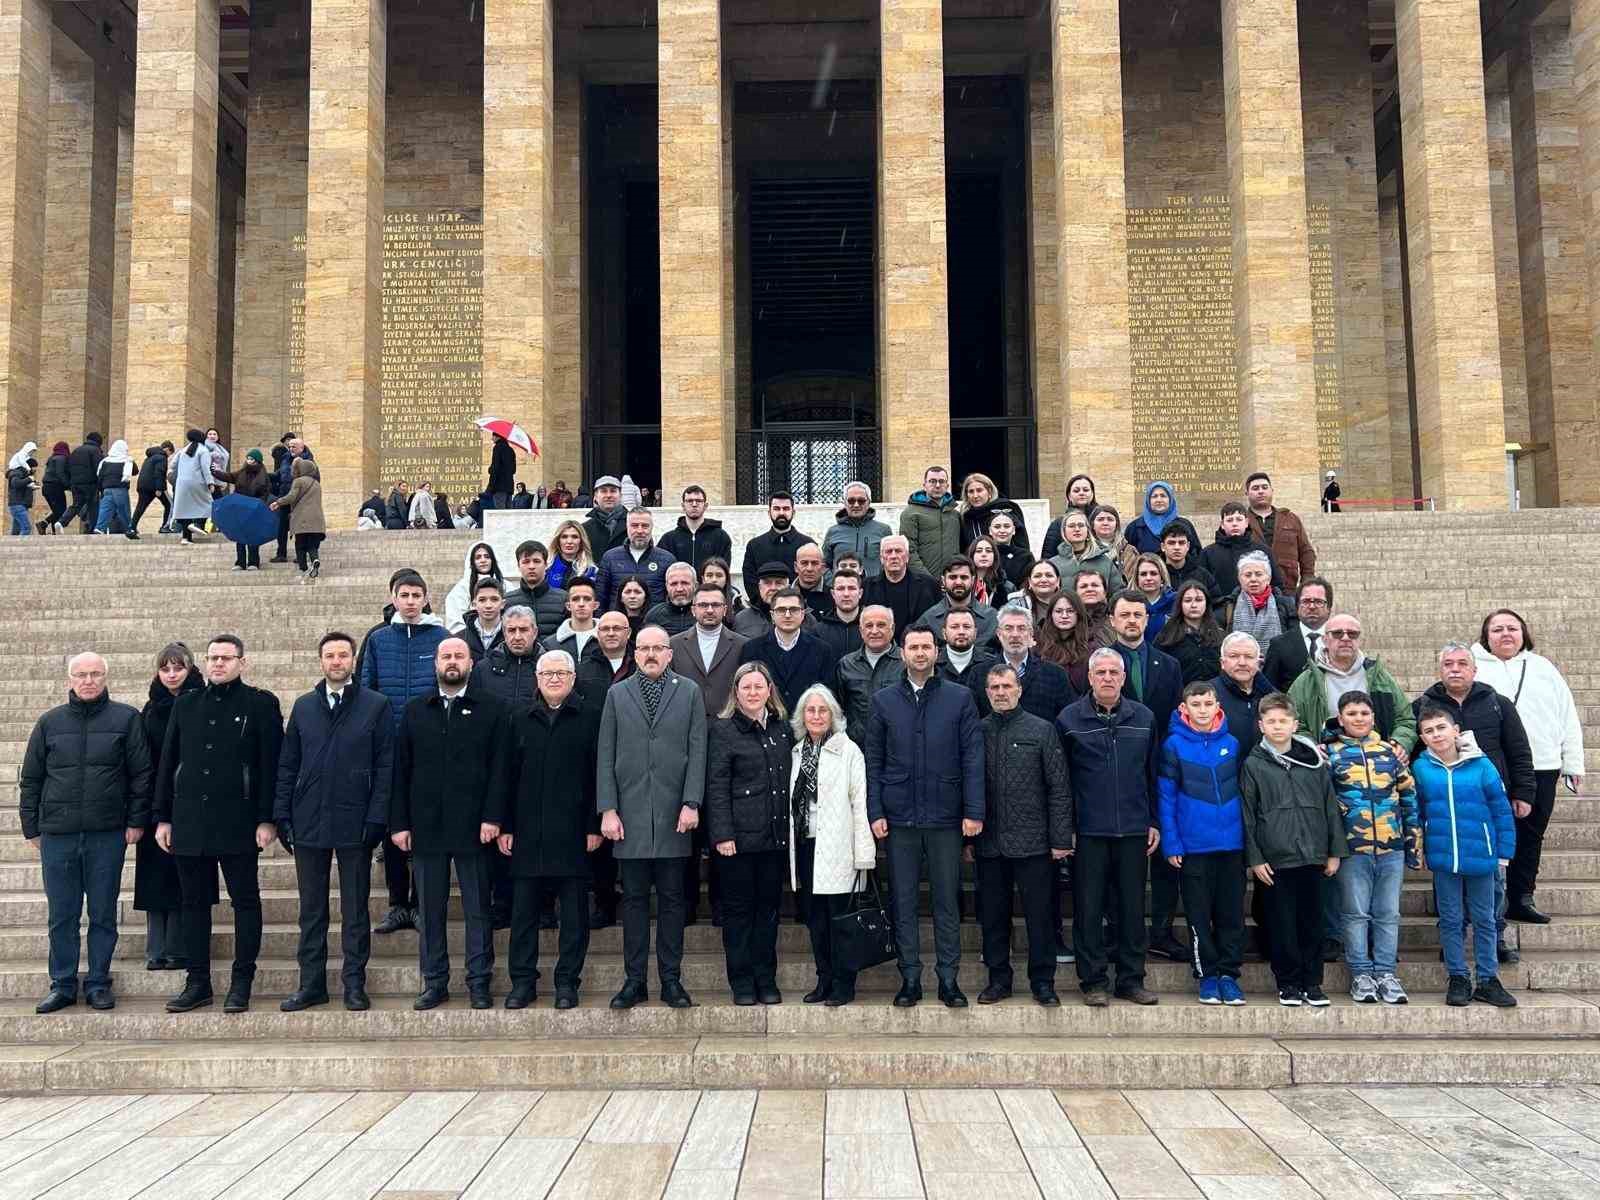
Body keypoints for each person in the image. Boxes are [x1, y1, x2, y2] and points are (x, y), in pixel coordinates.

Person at [154, 635, 283, 1014]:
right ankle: (198, 983)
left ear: (243, 662)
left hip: (240, 822)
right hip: (190, 819)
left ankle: (242, 981)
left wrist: (267, 818)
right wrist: (162, 816)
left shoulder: (260, 703)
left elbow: (270, 765)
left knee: (245, 901)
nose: (218, 664)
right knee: (193, 903)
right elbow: (168, 761)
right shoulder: (188, 704)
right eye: (212, 658)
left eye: (226, 658)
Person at [21, 651, 152, 1013]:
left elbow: (141, 774)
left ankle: (97, 982)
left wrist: (136, 821)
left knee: (102, 911)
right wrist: (31, 827)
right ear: (70, 680)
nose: (88, 680)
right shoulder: (49, 722)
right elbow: (31, 779)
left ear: (106, 678)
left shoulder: (126, 719)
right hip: (58, 834)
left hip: (106, 833)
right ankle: (62, 984)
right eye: (81, 674)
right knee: (61, 914)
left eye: (95, 674)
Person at [866, 625, 984, 1008]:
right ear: (903, 653)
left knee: (947, 901)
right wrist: (875, 810)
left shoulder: (960, 697)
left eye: (926, 647)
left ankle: (948, 980)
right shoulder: (884, 701)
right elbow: (874, 761)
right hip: (899, 818)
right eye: (913, 647)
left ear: (938, 651)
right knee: (903, 901)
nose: (920, 653)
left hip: (946, 817)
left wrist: (973, 811)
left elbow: (972, 757)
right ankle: (910, 978)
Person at [274, 631, 392, 1012]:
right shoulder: (305, 707)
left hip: (355, 821)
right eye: (330, 655)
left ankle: (354, 984)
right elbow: (288, 763)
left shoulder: (375, 705)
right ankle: (311, 984)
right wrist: (282, 815)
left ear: (353, 660)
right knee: (312, 910)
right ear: (321, 661)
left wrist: (377, 817)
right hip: (309, 820)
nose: (337, 661)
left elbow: (385, 766)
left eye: (343, 655)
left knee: (355, 909)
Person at [390, 638, 505, 1009]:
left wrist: (493, 817)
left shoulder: (492, 708)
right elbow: (400, 772)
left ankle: (479, 981)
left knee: (476, 910)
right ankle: (434, 981)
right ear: (436, 663)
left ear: (471, 662)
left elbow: (500, 770)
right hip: (426, 828)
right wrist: (400, 824)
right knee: (431, 911)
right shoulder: (414, 710)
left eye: (459, 656)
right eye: (446, 657)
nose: (452, 662)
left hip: (476, 828)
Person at [599, 626, 706, 1009]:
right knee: (634, 902)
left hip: (674, 814)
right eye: (643, 648)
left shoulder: (689, 692)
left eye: (658, 648)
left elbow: (698, 749)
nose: (650, 654)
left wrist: (692, 802)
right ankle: (634, 981)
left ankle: (671, 980)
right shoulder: (617, 693)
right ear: (634, 651)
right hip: (629, 818)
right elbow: (605, 754)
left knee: (674, 901)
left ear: (670, 653)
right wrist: (607, 809)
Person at [1414, 640, 1537, 962]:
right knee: (1449, 887)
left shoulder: (1497, 703)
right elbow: (1416, 760)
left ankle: (1495, 938)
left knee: (1493, 881)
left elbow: (1519, 750)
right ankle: (1452, 942)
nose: (1455, 669)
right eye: (1448, 664)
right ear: (1440, 670)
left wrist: (1523, 792)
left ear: (1474, 668)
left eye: (1461, 663)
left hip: (1485, 804)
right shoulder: (1423, 705)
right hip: (1445, 808)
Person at [495, 649, 601, 1009]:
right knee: (523, 915)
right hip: (526, 834)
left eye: (561, 673)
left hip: (573, 834)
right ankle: (522, 982)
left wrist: (594, 825)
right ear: (537, 679)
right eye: (547, 673)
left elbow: (598, 776)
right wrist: (505, 825)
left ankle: (567, 982)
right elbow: (504, 776)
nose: (554, 679)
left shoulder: (590, 717)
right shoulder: (518, 718)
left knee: (573, 916)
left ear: (572, 678)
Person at [1056, 649, 1159, 1006]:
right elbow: (1062, 781)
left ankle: (1131, 979)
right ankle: (1093, 981)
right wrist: (1064, 827)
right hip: (1088, 832)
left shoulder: (1144, 717)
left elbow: (1153, 773)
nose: (1108, 678)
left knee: (1131, 909)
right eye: (1100, 672)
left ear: (1124, 676)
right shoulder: (1069, 719)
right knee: (1089, 907)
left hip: (1133, 829)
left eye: (1114, 672)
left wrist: (1154, 820)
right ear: (1089, 677)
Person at [1473, 608, 1584, 926]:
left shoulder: (1543, 667)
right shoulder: (1472, 665)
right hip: (1490, 766)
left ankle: (1521, 896)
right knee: (1488, 832)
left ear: (1523, 633)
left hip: (1542, 763)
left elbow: (1566, 714)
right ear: (1486, 636)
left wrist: (1573, 761)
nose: (1505, 634)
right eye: (1497, 629)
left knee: (1531, 832)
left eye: (1512, 628)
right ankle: (1486, 899)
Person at [1240, 692, 1346, 1006]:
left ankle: (1312, 983)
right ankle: (1288, 983)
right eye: (1270, 721)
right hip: (1276, 860)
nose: (1277, 726)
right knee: (1281, 924)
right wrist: (1255, 858)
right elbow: (1248, 813)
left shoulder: (1313, 763)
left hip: (1313, 855)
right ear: (1261, 725)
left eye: (1283, 721)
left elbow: (1330, 808)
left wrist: (1334, 851)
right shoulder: (1254, 765)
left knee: (1312, 923)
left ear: (1294, 724)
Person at [976, 663, 1071, 1007]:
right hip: (991, 843)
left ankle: (1043, 982)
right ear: (987, 693)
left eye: (1006, 686)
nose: (1001, 692)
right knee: (993, 917)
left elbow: (1059, 786)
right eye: (994, 687)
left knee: (1040, 917)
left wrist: (1061, 839)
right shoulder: (978, 731)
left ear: (1019, 690)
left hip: (1034, 843)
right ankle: (998, 979)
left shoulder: (1042, 730)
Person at [358, 570, 449, 934]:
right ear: (393, 598)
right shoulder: (379, 639)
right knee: (393, 825)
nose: (411, 601)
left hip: (430, 746)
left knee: (425, 826)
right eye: (404, 595)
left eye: (417, 595)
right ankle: (398, 903)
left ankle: (422, 901)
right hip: (389, 745)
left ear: (426, 598)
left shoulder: (442, 637)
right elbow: (366, 689)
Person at [1414, 707, 1519, 1008]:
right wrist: (1418, 845)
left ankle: (1488, 979)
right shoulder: (1422, 769)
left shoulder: (1481, 765)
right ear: (1423, 738)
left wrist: (1504, 852)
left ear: (1455, 730)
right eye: (1429, 731)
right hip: (1444, 858)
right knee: (1450, 919)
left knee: (1485, 919)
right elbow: (1418, 811)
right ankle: (1458, 977)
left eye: (1441, 728)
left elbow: (1500, 809)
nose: (1437, 734)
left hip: (1481, 856)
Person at [705, 662, 794, 1004]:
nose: (753, 693)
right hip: (737, 842)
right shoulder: (724, 730)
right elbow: (717, 786)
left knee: (768, 913)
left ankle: (765, 980)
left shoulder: (783, 730)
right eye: (747, 688)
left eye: (759, 687)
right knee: (739, 914)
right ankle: (742, 983)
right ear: (736, 693)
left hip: (774, 840)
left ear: (769, 691)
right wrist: (722, 835)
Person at [1324, 690, 1420, 1007]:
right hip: (1353, 849)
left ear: (1373, 718)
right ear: (1341, 718)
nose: (1359, 719)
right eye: (1352, 714)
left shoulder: (1389, 753)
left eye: (1364, 713)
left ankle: (1386, 973)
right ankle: (1361, 973)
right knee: (1354, 913)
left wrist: (1413, 844)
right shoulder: (1331, 754)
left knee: (1388, 913)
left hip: (1391, 848)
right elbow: (1325, 805)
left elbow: (1408, 797)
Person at [785, 683, 874, 1006]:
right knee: (816, 920)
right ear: (802, 716)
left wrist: (864, 854)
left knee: (841, 922)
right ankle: (824, 979)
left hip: (839, 848)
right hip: (807, 846)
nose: (817, 715)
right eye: (811, 710)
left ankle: (843, 983)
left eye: (823, 710)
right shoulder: (796, 752)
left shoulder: (848, 751)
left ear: (834, 715)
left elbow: (860, 803)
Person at [1158, 681, 1247, 1005]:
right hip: (1194, 847)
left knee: (1231, 916)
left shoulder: (1234, 743)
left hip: (1232, 846)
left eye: (1208, 704)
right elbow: (1166, 798)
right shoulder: (1173, 746)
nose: (1202, 710)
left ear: (1217, 706)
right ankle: (1207, 975)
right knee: (1199, 917)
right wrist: (1172, 843)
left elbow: (1245, 793)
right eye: (1196, 705)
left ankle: (1229, 975)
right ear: (1185, 709)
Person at [135, 645, 204, 973]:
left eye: (178, 668)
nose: (172, 674)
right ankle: (156, 949)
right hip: (155, 805)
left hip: (191, 803)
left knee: (183, 880)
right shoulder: (149, 709)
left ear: (189, 669)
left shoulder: (202, 702)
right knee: (155, 879)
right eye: (166, 669)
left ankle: (179, 948)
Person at [1286, 613, 1417, 748]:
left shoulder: (1380, 677)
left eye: (1352, 634)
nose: (1345, 638)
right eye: (1337, 633)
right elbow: (1293, 724)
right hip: (1326, 763)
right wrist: (1312, 747)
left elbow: (1405, 719)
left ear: (1359, 640)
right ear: (1325, 639)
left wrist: (1400, 743)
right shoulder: (1306, 681)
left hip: (1378, 762)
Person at [739, 586, 839, 713]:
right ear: (772, 615)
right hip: (766, 726)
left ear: (803, 614)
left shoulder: (823, 651)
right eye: (781, 610)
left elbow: (828, 697)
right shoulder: (752, 650)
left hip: (807, 726)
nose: (787, 615)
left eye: (793, 610)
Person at [974, 606, 1072, 723]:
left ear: (1031, 634)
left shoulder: (1055, 675)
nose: (1015, 634)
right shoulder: (979, 674)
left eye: (1021, 628)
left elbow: (1066, 721)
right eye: (1008, 628)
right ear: (999, 634)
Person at [834, 605, 905, 748]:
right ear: (861, 630)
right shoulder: (846, 664)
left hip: (897, 746)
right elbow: (838, 709)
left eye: (881, 625)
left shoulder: (906, 661)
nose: (874, 631)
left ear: (892, 628)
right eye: (869, 626)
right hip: (857, 747)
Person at [1244, 471, 1316, 591]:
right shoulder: (1241, 521)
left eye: (1264, 487)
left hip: (1287, 589)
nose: (1260, 491)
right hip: (1252, 590)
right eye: (1255, 488)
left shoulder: (1290, 519)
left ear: (1272, 490)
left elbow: (1306, 552)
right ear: (1247, 493)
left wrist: (1307, 583)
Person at [1215, 551, 1297, 655]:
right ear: (1239, 579)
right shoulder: (1227, 606)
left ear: (1268, 578)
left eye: (1258, 574)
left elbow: (1294, 642)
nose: (1253, 579)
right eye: (1248, 575)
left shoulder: (1286, 605)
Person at [861, 534, 941, 639]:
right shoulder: (867, 587)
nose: (893, 556)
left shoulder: (929, 585)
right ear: (881, 558)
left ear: (907, 557)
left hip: (918, 647)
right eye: (889, 552)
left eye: (898, 551)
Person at [596, 507, 674, 611]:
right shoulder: (609, 558)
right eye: (634, 526)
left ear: (652, 527)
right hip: (618, 624)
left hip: (654, 624)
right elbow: (601, 597)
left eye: (645, 526)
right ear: (627, 527)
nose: (640, 530)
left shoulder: (667, 559)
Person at [1263, 576, 1333, 691]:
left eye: (1319, 601)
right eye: (1306, 601)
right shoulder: (1279, 645)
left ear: (1329, 608)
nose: (1312, 606)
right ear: (1297, 606)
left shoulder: (1339, 641)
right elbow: (1269, 690)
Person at [741, 492, 816, 598]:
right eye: (776, 509)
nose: (781, 513)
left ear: (793, 512)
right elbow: (750, 581)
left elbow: (813, 579)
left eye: (786, 509)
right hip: (763, 611)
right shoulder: (755, 545)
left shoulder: (808, 544)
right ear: (769, 512)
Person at [1201, 502, 1281, 593]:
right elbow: (1203, 585)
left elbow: (1276, 583)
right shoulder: (1208, 553)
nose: (1234, 524)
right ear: (1222, 525)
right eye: (1229, 520)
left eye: (1239, 519)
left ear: (1246, 523)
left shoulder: (1262, 550)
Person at [920, 555, 999, 647]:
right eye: (953, 577)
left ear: (973, 580)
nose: (958, 582)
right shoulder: (928, 620)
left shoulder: (992, 618)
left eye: (964, 577)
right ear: (943, 580)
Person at [1154, 582, 1225, 685]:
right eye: (1187, 600)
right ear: (1180, 604)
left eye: (1199, 600)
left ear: (1207, 603)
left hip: (1214, 696)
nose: (1194, 605)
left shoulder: (1220, 636)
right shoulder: (1167, 636)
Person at [898, 465, 961, 576]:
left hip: (952, 579)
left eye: (941, 481)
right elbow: (909, 550)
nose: (937, 485)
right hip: (923, 581)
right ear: (924, 485)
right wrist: (925, 577)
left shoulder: (955, 514)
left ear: (947, 485)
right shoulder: (911, 513)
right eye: (932, 481)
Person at [270, 458, 326, 579]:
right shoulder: (316, 484)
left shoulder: (298, 481)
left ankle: (303, 568)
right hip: (317, 520)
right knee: (312, 545)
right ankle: (315, 559)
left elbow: (291, 497)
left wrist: (278, 502)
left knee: (300, 545)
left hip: (302, 519)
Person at [503, 540, 571, 638]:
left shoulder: (563, 598)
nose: (531, 566)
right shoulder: (507, 601)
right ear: (518, 566)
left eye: (536, 561)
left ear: (546, 564)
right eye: (526, 562)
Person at [215, 448, 272, 565]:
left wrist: (258, 506)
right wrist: (215, 472)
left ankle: (253, 562)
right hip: (240, 509)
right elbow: (229, 477)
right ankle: (240, 562)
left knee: (253, 536)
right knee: (240, 536)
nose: (248, 461)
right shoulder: (242, 472)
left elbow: (265, 493)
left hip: (254, 510)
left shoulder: (263, 475)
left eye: (251, 459)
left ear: (257, 461)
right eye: (248, 458)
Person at [823, 481, 891, 579]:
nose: (856, 505)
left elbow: (889, 562)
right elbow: (824, 565)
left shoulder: (883, 530)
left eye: (861, 501)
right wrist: (833, 583)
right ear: (845, 502)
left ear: (869, 503)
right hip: (842, 591)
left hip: (874, 590)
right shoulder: (833, 532)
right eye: (851, 500)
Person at [659, 483, 732, 571]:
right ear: (683, 506)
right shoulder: (668, 539)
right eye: (689, 501)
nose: (694, 504)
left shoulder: (720, 537)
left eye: (698, 501)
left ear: (705, 506)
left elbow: (723, 571)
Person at [1049, 510, 1124, 596]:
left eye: (1081, 525)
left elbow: (1117, 594)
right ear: (1064, 532)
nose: (1077, 529)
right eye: (1071, 526)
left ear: (1088, 531)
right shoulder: (1053, 564)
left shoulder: (1105, 562)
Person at [959, 472, 1031, 553]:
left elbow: (1021, 542)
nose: (975, 495)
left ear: (989, 492)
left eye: (979, 490)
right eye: (971, 491)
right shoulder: (966, 517)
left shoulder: (1006, 509)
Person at [1123, 481, 1200, 557]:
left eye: (1163, 496)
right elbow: (1127, 558)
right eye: (1154, 496)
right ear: (1148, 500)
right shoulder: (1135, 527)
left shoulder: (1185, 525)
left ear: (1170, 499)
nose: (1159, 500)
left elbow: (1196, 554)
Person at [1037, 591, 1094, 692]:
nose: (1064, 616)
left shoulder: (1091, 648)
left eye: (1070, 611)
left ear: (1078, 614)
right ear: (1051, 614)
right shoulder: (1039, 646)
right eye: (1058, 611)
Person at [444, 542, 506, 632]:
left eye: (487, 556)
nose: (483, 560)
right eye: (478, 557)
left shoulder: (506, 585)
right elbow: (456, 622)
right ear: (472, 562)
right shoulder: (461, 589)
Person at [545, 579, 603, 671]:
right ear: (568, 606)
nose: (581, 604)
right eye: (575, 599)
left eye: (587, 599)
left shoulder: (606, 640)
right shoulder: (551, 644)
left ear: (596, 605)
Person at [933, 608, 998, 690]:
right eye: (954, 627)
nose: (961, 632)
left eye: (966, 627)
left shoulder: (992, 664)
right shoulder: (932, 663)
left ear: (975, 632)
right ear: (944, 633)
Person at [168, 429, 214, 543]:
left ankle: (185, 537)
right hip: (197, 482)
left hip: (181, 483)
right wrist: (210, 482)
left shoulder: (183, 450)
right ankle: (197, 525)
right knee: (208, 504)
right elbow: (205, 469)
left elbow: (172, 464)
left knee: (185, 510)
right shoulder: (203, 450)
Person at [272, 435, 314, 559]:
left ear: (301, 448)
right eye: (289, 446)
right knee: (282, 527)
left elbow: (314, 481)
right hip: (285, 496)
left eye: (293, 447)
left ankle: (300, 555)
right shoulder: (285, 459)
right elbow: (278, 475)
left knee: (299, 528)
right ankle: (281, 554)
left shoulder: (308, 462)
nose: (291, 449)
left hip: (300, 499)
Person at [1040, 473, 1098, 560]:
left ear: (1092, 494)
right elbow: (1048, 557)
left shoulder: (1102, 519)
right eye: (1076, 490)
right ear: (1069, 496)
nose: (1081, 493)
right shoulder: (1058, 524)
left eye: (1086, 490)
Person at [1154, 525, 1215, 600]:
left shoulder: (1203, 576)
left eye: (1181, 543)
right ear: (1163, 546)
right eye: (1171, 543)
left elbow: (1216, 604)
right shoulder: (1155, 575)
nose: (1177, 547)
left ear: (1188, 546)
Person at [816, 569, 865, 658]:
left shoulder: (871, 628)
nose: (846, 594)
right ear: (833, 594)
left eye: (851, 588)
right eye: (841, 589)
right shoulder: (818, 631)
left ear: (860, 593)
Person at [92, 439, 135, 535]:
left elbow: (100, 477)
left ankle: (99, 528)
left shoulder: (105, 461)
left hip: (107, 489)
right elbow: (135, 471)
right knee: (124, 510)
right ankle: (129, 529)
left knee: (105, 509)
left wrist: (100, 490)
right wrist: (130, 459)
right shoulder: (126, 461)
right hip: (120, 489)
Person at [643, 562, 698, 636]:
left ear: (695, 586)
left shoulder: (704, 613)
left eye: (685, 583)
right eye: (674, 584)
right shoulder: (654, 616)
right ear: (666, 586)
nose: (679, 589)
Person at [66, 431, 103, 535]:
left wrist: (71, 482)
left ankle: (62, 521)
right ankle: (92, 528)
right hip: (90, 483)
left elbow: (68, 468)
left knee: (76, 505)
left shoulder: (75, 451)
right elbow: (99, 469)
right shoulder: (95, 451)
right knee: (93, 506)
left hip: (75, 484)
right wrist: (100, 484)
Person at [582, 475, 629, 558]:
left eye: (613, 491)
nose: (608, 495)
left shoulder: (634, 525)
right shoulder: (584, 529)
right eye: (603, 491)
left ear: (621, 495)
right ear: (596, 496)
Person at [986, 512, 1035, 590]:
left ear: (1014, 530)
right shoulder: (983, 554)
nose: (1002, 530)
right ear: (990, 531)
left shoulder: (1025, 556)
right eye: (997, 527)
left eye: (1007, 526)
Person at [546, 519, 596, 591]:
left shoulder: (591, 571)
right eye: (564, 537)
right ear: (558, 540)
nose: (569, 541)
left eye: (574, 537)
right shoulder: (546, 567)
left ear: (581, 541)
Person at [1132, 554, 1175, 637]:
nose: (1148, 578)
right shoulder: (1129, 603)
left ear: (1162, 577)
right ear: (1137, 579)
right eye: (1143, 574)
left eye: (1153, 573)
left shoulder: (1176, 601)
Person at [967, 537, 1010, 609]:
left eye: (988, 551)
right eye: (979, 551)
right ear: (972, 555)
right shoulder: (964, 582)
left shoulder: (1006, 586)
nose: (984, 554)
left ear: (994, 556)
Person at [792, 544, 833, 619]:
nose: (809, 568)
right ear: (796, 567)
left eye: (814, 563)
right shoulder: (783, 596)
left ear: (823, 568)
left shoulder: (833, 597)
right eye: (804, 563)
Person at [1016, 559, 1062, 625]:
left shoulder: (1070, 605)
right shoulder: (1017, 608)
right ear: (1030, 582)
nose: (1043, 580)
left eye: (1049, 575)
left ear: (1058, 581)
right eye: (1037, 576)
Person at [40, 441, 71, 532]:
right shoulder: (62, 458)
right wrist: (68, 485)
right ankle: (43, 523)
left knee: (57, 511)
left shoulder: (51, 458)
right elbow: (60, 473)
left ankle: (53, 531)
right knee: (61, 511)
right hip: (55, 487)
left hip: (46, 487)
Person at [7, 443, 36, 535]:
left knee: (16, 531)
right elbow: (15, 484)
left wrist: (31, 485)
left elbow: (21, 485)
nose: (33, 470)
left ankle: (9, 548)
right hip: (18, 504)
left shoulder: (21, 473)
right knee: (26, 528)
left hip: (19, 504)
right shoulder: (17, 472)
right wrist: (29, 479)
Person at [488, 432, 516, 510]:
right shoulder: (511, 450)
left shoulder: (497, 448)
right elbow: (513, 470)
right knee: (507, 513)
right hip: (509, 487)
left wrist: (490, 470)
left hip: (499, 486)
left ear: (498, 437)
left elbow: (495, 468)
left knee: (499, 512)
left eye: (493, 436)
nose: (492, 438)